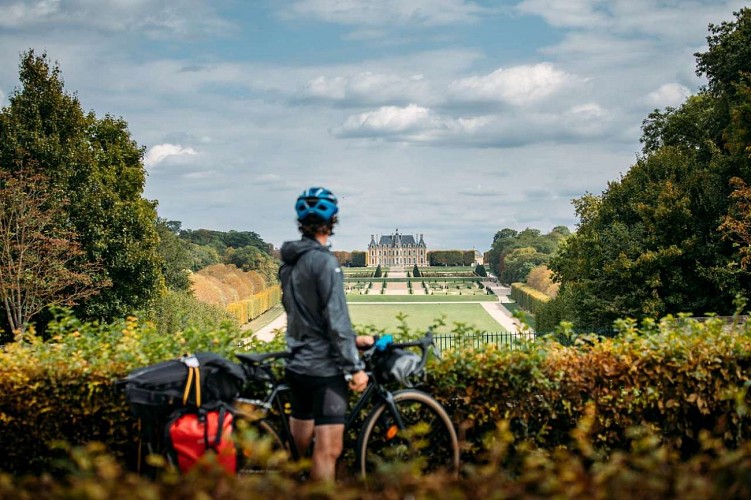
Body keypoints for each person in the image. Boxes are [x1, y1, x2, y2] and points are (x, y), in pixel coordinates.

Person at [279, 186, 372, 482]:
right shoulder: (325, 262)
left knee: (295, 451)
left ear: (300, 223)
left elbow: (303, 316)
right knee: (327, 451)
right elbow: (336, 319)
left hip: (297, 364)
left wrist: (350, 339)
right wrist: (355, 366)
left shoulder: (289, 263)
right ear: (332, 223)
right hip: (323, 370)